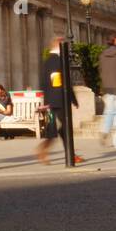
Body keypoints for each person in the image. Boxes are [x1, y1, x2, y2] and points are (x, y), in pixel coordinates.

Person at [35, 37, 83, 165]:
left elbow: (44, 82)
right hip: (61, 98)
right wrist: (73, 98)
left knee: (58, 129)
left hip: (52, 99)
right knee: (63, 128)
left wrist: (46, 100)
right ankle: (51, 151)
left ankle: (67, 154)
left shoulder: (47, 61)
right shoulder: (59, 60)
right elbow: (65, 81)